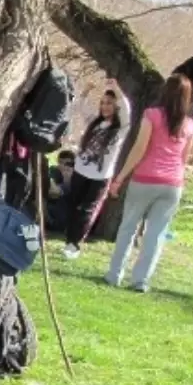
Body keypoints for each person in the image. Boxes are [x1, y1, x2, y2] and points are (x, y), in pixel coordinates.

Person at [104, 73, 193, 292]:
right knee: (156, 234)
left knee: (128, 227)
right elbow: (184, 159)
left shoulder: (152, 115)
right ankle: (140, 280)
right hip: (173, 183)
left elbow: (139, 148)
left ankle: (115, 274)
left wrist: (120, 177)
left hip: (145, 178)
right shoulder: (190, 125)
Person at [63, 80, 130, 258]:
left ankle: (74, 244)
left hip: (100, 176)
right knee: (73, 205)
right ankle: (69, 239)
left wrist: (117, 88)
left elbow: (126, 110)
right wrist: (86, 90)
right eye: (102, 103)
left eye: (109, 103)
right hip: (81, 170)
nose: (105, 107)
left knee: (87, 209)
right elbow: (79, 106)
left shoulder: (120, 128)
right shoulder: (95, 122)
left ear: (116, 106)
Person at [44, 150, 76, 234]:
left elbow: (55, 192)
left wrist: (67, 179)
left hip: (61, 216)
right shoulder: (54, 171)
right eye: (61, 162)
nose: (63, 166)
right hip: (50, 208)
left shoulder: (75, 177)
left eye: (67, 164)